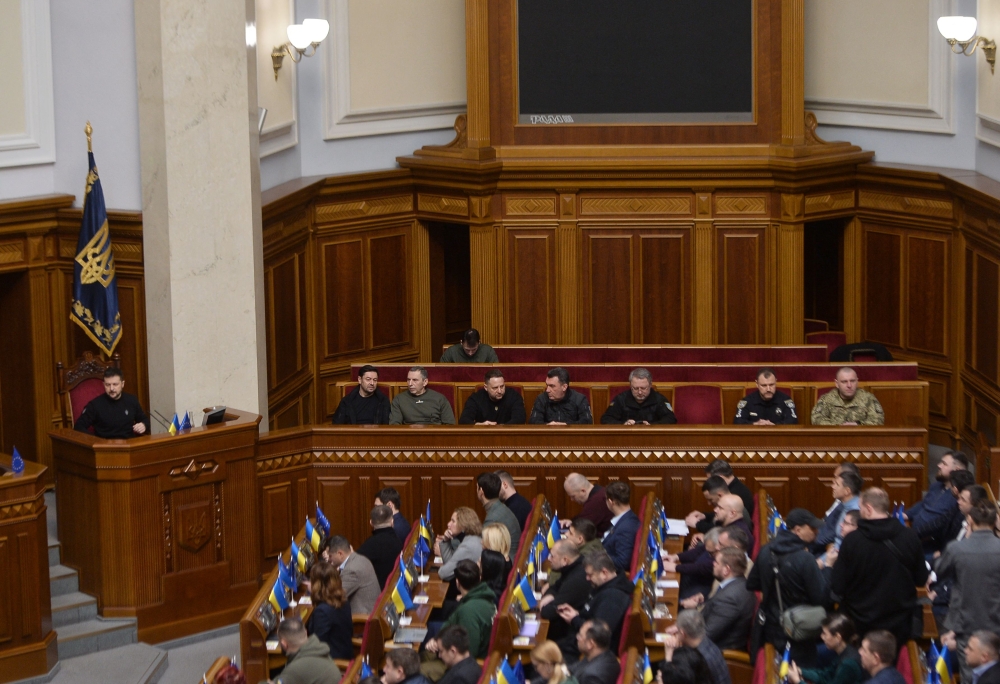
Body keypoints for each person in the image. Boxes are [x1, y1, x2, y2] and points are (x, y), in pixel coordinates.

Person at [831, 488, 928, 648]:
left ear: (868, 509)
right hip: (899, 626)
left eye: (861, 508)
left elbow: (838, 586)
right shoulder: (909, 537)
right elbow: (921, 579)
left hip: (860, 625)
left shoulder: (852, 541)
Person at [747, 508, 829, 667]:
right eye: (812, 528)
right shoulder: (805, 559)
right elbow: (821, 598)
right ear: (798, 530)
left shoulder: (766, 550)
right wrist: (828, 569)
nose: (817, 531)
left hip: (770, 627)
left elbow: (752, 583)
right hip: (799, 630)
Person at [937, 500, 1000, 684]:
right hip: (997, 623)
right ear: (995, 520)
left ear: (970, 520)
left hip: (967, 625)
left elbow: (940, 571)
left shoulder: (957, 549)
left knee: (971, 677)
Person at [555, 552, 633, 659]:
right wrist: (577, 613)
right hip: (577, 640)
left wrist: (575, 619)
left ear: (604, 573)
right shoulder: (604, 586)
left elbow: (598, 634)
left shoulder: (613, 599)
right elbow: (593, 614)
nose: (587, 578)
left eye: (590, 575)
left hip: (584, 651)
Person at [906, 450, 969, 557]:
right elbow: (923, 504)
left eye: (944, 464)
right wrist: (906, 514)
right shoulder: (936, 486)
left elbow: (943, 525)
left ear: (956, 470)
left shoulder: (959, 498)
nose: (939, 465)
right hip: (915, 536)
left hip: (932, 543)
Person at [693, 547, 755, 651]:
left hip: (716, 652)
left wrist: (682, 637)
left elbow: (706, 635)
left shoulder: (730, 598)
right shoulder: (739, 583)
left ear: (726, 570)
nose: (713, 564)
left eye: (716, 562)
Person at [433, 561, 496, 659]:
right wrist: (437, 638)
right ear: (479, 578)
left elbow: (469, 653)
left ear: (457, 583)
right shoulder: (483, 594)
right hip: (452, 639)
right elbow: (452, 619)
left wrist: (441, 649)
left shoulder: (468, 611)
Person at [74, 367, 150, 438]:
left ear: (122, 384)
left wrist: (143, 425)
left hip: (129, 445)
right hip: (104, 447)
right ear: (103, 384)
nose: (111, 388)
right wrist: (95, 440)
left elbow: (144, 420)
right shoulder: (95, 405)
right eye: (108, 385)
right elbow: (79, 427)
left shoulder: (132, 400)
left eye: (115, 384)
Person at [539, 540, 592, 642]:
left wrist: (547, 602)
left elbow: (548, 612)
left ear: (564, 560)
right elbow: (555, 587)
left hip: (571, 636)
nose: (549, 559)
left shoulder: (577, 579)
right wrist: (550, 596)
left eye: (552, 556)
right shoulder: (572, 567)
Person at [787, 614, 863, 684]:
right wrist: (800, 671)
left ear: (837, 637)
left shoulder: (848, 664)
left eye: (825, 633)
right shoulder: (843, 652)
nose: (821, 636)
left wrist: (798, 681)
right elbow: (825, 675)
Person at [267, 617, 341, 684]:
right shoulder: (318, 648)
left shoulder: (294, 670)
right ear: (305, 632)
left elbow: (289, 677)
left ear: (284, 644)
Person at [667, 610, 731, 684]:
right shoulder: (707, 642)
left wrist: (669, 655)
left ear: (683, 633)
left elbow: (672, 680)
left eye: (677, 631)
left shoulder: (697, 658)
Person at [322, 535, 381, 614]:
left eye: (330, 556)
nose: (329, 559)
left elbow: (334, 597)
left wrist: (315, 588)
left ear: (340, 554)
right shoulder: (360, 558)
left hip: (361, 620)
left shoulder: (352, 570)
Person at [306, 561, 353, 660]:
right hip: (344, 653)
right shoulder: (344, 601)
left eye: (311, 580)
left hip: (331, 662)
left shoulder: (322, 611)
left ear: (317, 585)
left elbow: (318, 645)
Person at [599, 368, 677, 425]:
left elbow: (671, 419)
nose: (639, 392)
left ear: (650, 385)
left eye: (643, 388)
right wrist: (623, 424)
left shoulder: (659, 399)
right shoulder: (621, 399)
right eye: (635, 388)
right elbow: (606, 419)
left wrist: (652, 426)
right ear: (630, 385)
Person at [810, 367, 884, 426]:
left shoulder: (868, 398)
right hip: (833, 440)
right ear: (837, 383)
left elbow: (878, 420)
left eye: (852, 381)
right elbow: (816, 419)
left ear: (857, 381)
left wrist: (858, 425)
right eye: (844, 382)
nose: (849, 385)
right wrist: (839, 426)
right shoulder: (826, 399)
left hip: (862, 440)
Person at [664, 527, 721, 601]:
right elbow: (698, 551)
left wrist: (676, 567)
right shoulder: (711, 548)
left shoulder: (721, 559)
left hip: (700, 587)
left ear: (719, 547)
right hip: (690, 578)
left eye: (711, 553)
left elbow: (700, 567)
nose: (709, 554)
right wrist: (676, 557)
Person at [814, 471, 862, 555]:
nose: (833, 487)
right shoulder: (844, 504)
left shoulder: (855, 511)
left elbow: (844, 545)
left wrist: (820, 562)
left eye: (837, 484)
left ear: (847, 491)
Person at [357, 505, 404, 589]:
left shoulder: (368, 546)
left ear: (371, 523)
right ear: (392, 521)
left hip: (378, 593)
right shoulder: (399, 539)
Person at [389, 366, 456, 425]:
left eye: (415, 380)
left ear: (425, 382)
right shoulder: (399, 399)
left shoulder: (440, 399)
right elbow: (394, 425)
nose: (410, 383)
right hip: (409, 436)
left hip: (434, 436)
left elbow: (449, 424)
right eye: (408, 380)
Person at [476, 472, 521, 559]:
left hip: (506, 563)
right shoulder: (501, 509)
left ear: (481, 492)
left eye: (476, 488)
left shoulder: (493, 519)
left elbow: (483, 547)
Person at [458, 369, 525, 425]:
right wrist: (479, 425)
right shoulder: (476, 398)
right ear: (486, 387)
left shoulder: (514, 396)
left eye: (502, 386)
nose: (499, 391)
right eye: (495, 388)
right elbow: (464, 420)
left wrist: (503, 428)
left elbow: (520, 419)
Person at [435, 507, 483, 583]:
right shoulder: (471, 539)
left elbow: (444, 573)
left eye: (453, 521)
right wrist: (446, 541)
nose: (448, 524)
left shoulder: (468, 545)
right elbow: (450, 563)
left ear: (463, 525)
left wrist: (442, 568)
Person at [734, 368, 798, 425]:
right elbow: (737, 422)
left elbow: (793, 421)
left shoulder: (786, 400)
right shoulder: (747, 401)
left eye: (771, 385)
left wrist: (774, 426)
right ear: (757, 384)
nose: (768, 389)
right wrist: (755, 424)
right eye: (764, 385)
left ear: (776, 382)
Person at [600, 481, 640, 571]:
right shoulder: (626, 518)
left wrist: (597, 556)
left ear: (611, 502)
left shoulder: (626, 528)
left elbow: (622, 562)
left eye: (605, 499)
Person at [567, 620, 621, 684]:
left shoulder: (592, 677)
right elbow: (575, 668)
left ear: (590, 644)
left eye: (580, 635)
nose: (577, 637)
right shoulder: (605, 654)